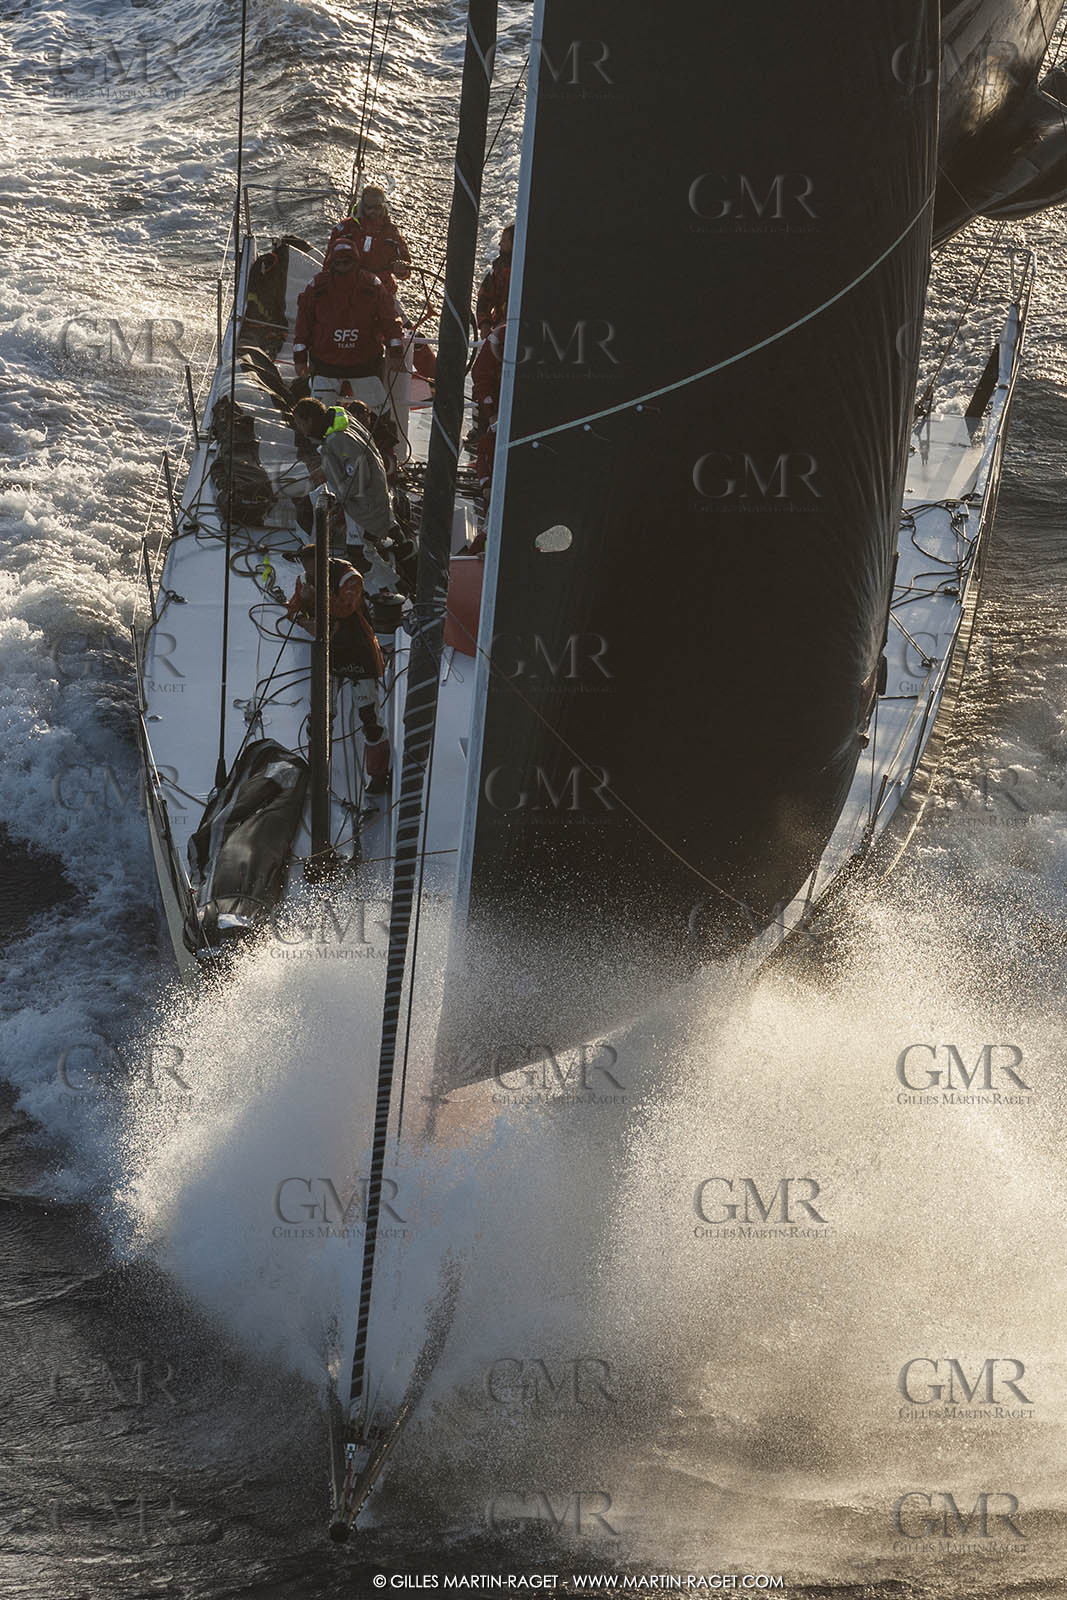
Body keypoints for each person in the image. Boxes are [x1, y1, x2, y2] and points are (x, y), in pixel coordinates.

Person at [286, 544, 391, 795]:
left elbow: (346, 607)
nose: (307, 571)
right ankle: (317, 769)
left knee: (369, 716)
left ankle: (378, 775)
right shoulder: (305, 580)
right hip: (330, 652)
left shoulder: (350, 578)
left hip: (359, 651)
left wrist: (316, 599)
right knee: (320, 715)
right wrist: (305, 622)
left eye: (311, 565)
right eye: (304, 565)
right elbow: (292, 608)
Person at [290, 396, 414, 590]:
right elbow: (351, 463)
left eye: (299, 422)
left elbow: (358, 481)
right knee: (394, 536)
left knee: (360, 553)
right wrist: (326, 471)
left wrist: (336, 500)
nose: (299, 428)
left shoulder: (338, 439)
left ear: (309, 421)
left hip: (365, 504)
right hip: (378, 493)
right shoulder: (341, 420)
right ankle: (414, 571)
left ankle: (396, 591)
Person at [292, 238, 405, 410]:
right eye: (338, 262)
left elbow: (389, 319)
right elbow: (303, 325)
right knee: (319, 416)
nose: (343, 266)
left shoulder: (373, 285)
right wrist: (300, 359)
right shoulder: (317, 286)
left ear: (356, 261)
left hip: (365, 365)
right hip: (326, 366)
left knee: (378, 416)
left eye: (347, 262)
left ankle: (379, 433)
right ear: (332, 262)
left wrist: (396, 351)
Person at [329, 185, 413, 295]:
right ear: (362, 206)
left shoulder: (392, 233)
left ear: (383, 206)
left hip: (382, 291)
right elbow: (329, 263)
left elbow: (406, 269)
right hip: (349, 290)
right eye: (369, 208)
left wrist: (402, 269)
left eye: (377, 207)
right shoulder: (344, 229)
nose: (373, 211)